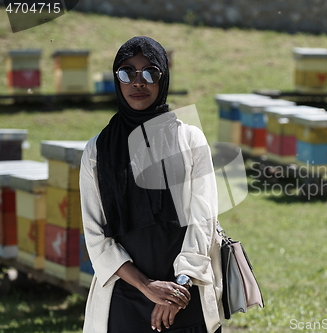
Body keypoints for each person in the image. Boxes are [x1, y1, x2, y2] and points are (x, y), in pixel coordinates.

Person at [79, 36, 223, 333]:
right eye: (126, 72)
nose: (138, 82)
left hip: (186, 294)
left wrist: (178, 286)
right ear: (116, 80)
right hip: (124, 297)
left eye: (150, 72)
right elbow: (95, 236)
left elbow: (203, 219)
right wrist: (147, 286)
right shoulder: (97, 151)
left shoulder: (189, 139)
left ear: (163, 78)